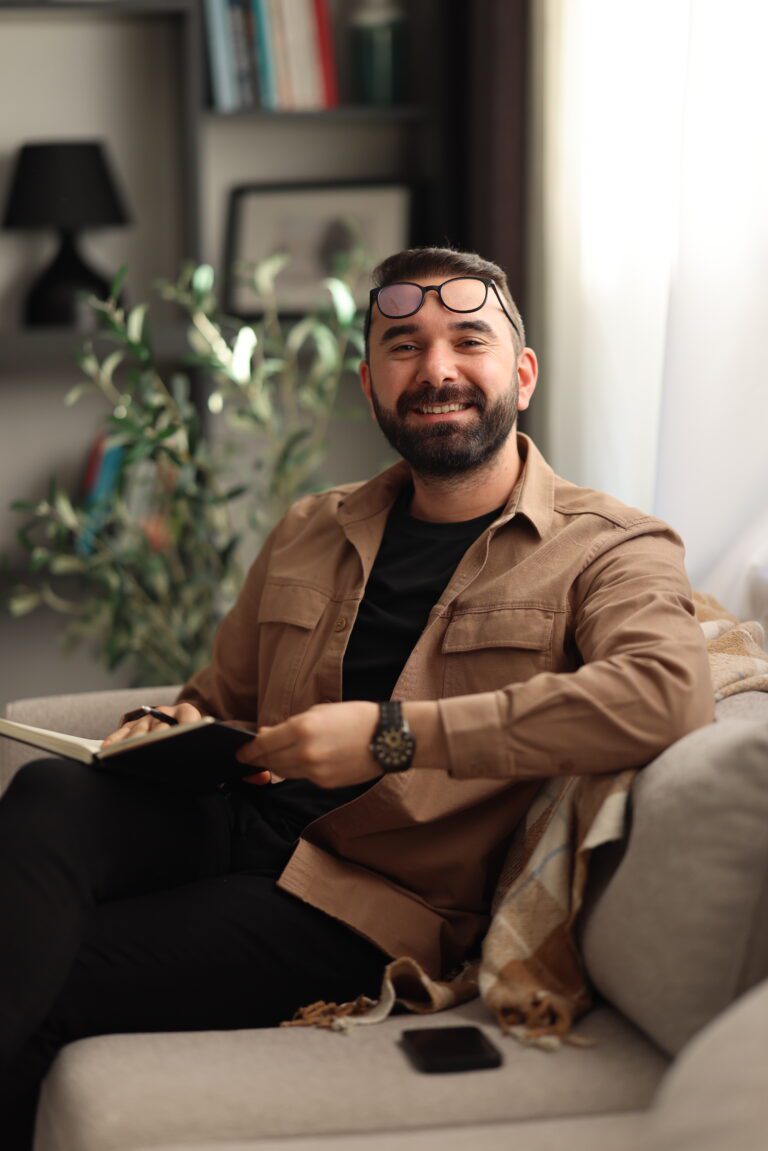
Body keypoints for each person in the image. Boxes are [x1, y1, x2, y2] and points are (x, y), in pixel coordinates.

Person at [0, 246, 714, 1148]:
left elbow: (667, 695)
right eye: (404, 346)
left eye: (469, 340)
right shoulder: (312, 527)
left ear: (521, 374)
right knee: (49, 793)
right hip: (231, 819)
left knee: (63, 971)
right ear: (372, 384)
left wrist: (393, 736)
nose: (438, 368)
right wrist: (168, 728)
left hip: (367, 904)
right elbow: (214, 696)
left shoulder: (610, 546)